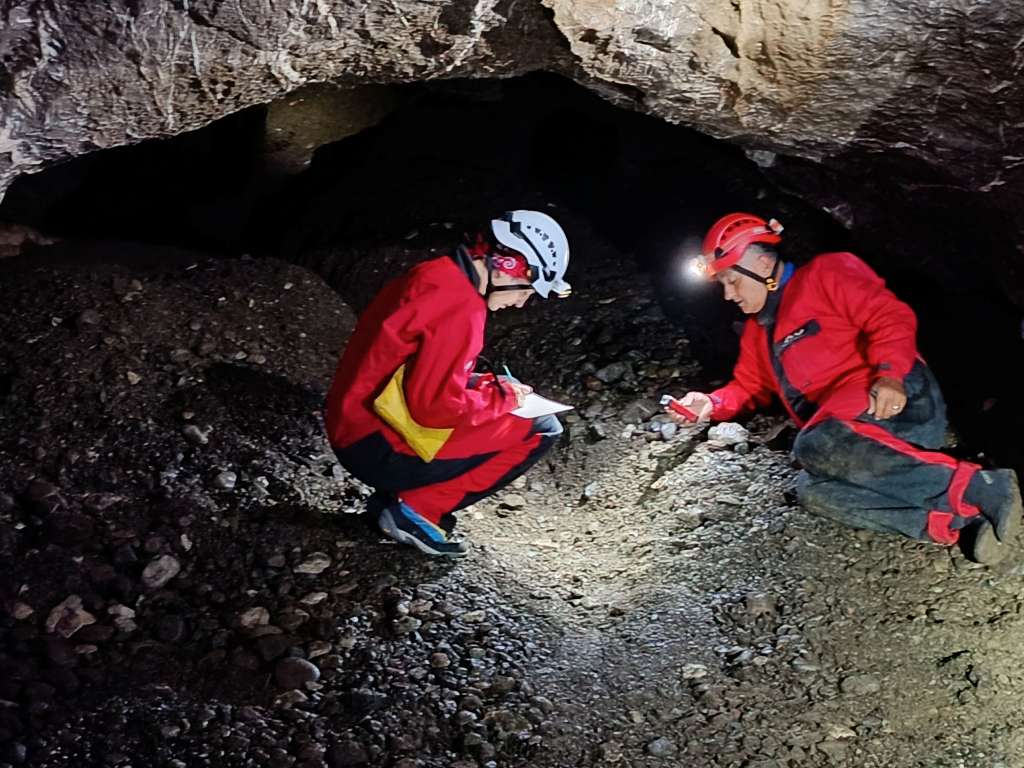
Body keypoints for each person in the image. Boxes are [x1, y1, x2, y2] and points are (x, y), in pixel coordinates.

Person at [672, 212, 1022, 564]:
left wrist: (890, 375)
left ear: (763, 264)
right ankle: (953, 522)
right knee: (812, 491)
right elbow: (748, 388)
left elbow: (889, 316)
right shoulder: (757, 334)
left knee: (813, 444)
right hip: (850, 436)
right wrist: (710, 403)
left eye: (732, 281)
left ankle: (981, 485)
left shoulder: (827, 273)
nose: (728, 295)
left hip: (895, 400)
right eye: (723, 285)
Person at [325, 210, 571, 557]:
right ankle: (415, 510)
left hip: (353, 416)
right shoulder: (463, 309)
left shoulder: (438, 274)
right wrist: (500, 397)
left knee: (499, 399)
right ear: (508, 266)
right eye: (528, 290)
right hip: (372, 444)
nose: (522, 302)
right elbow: (435, 411)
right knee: (543, 427)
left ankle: (398, 499)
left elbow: (412, 366)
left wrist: (485, 386)